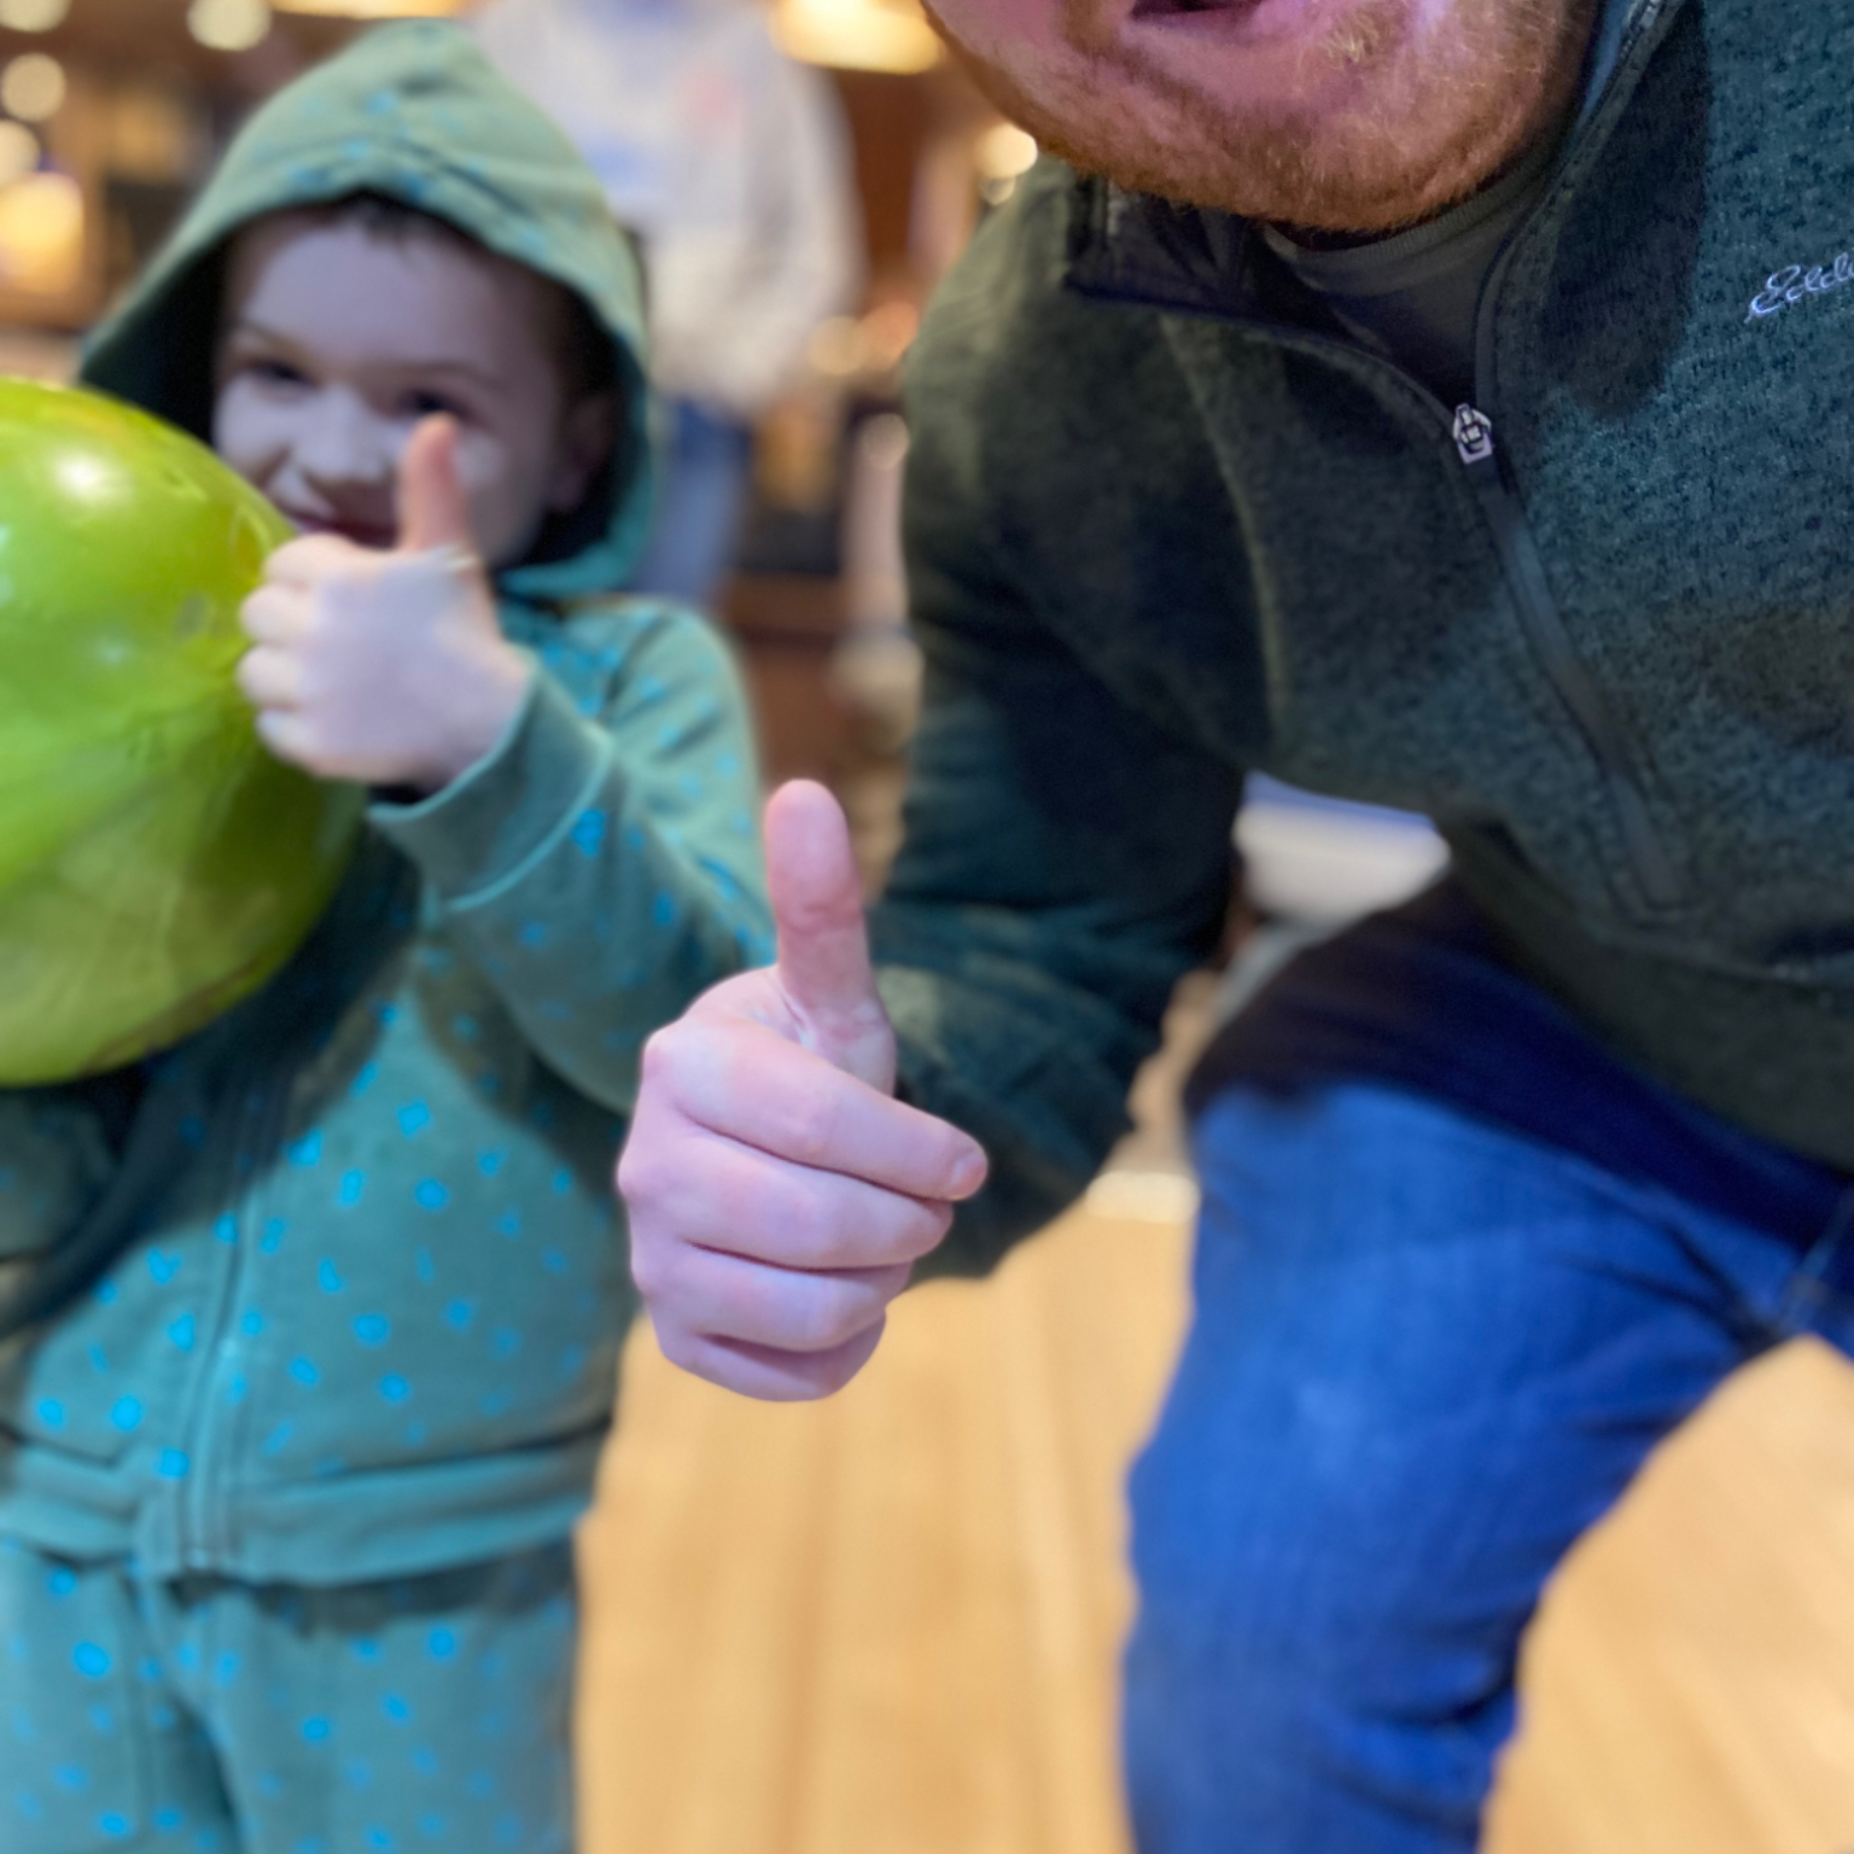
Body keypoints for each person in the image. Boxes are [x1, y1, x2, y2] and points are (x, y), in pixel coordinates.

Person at [616, 0, 1854, 1847]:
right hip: (1575, 1036)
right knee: (1257, 1669)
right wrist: (849, 1125)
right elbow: (1035, 923)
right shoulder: (1031, 389)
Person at [0, 22, 768, 1852]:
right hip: (57, 1513)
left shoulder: (627, 684)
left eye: (431, 399)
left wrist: (482, 742)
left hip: (429, 1560)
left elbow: (694, 1023)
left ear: (578, 436)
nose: (334, 450)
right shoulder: (142, 679)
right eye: (275, 368)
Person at [473, 0, 863, 610]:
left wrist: (741, 373)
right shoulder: (510, 32)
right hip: (537, 402)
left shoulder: (756, 50)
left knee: (664, 651)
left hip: (694, 417)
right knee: (524, 634)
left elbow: (818, 245)